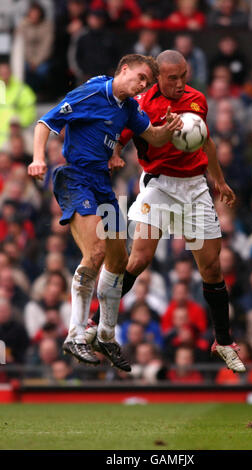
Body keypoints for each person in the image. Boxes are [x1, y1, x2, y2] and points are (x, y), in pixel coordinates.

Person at [87, 50, 246, 373]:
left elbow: (206, 142)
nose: (179, 83)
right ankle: (94, 324)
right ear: (158, 77)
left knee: (212, 269)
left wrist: (219, 181)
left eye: (183, 76)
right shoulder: (143, 103)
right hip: (158, 186)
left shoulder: (197, 99)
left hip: (195, 188)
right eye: (172, 78)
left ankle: (223, 342)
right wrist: (116, 153)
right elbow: (121, 135)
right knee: (139, 258)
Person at [28, 53, 182, 369]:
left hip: (102, 185)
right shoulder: (92, 91)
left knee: (118, 258)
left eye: (147, 83)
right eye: (140, 78)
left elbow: (152, 135)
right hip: (76, 179)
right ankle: (74, 335)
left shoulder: (128, 108)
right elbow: (45, 122)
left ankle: (105, 335)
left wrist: (172, 128)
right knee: (96, 252)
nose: (142, 86)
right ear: (123, 70)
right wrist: (38, 158)